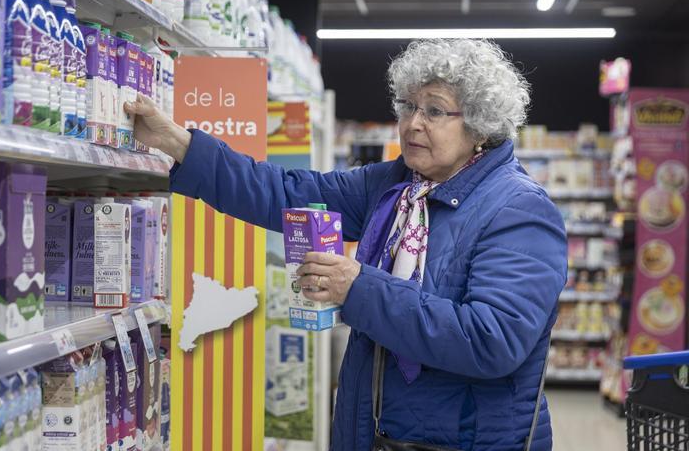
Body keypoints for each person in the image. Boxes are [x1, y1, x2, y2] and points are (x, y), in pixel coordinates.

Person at [125, 39, 567, 451]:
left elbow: (492, 340)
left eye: (434, 111)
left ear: (479, 125)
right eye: (409, 105)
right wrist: (178, 143)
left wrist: (359, 288)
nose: (413, 123)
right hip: (372, 433)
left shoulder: (519, 211)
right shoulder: (394, 185)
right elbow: (286, 191)